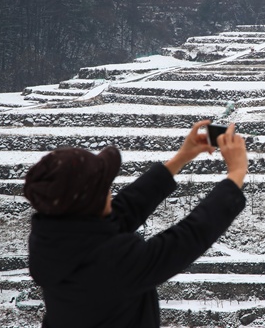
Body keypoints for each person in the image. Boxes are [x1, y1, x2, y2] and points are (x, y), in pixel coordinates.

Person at [24, 121, 248, 328]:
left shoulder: (53, 243)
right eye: (105, 187)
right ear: (90, 203)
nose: (110, 192)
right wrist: (236, 174)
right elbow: (187, 238)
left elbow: (123, 211)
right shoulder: (111, 263)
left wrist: (181, 158)